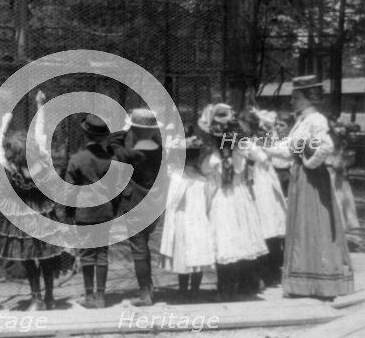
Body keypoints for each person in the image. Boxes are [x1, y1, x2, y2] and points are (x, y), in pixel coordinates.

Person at [281, 75, 353, 299]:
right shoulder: (302, 120)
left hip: (312, 179)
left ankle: (321, 283)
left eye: (295, 97)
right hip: (302, 178)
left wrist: (309, 164)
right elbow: (289, 148)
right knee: (303, 225)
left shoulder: (316, 119)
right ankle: (305, 283)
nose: (292, 101)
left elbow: (326, 146)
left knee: (315, 224)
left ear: (305, 98)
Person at [0, 91, 63, 311]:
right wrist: (40, 105)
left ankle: (36, 299)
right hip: (43, 210)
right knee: (46, 256)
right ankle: (50, 296)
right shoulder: (42, 160)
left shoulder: (9, 166)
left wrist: (4, 123)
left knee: (29, 257)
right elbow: (41, 134)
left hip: (22, 214)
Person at [198, 104, 268, 301]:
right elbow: (262, 157)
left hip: (223, 197)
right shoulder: (243, 146)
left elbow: (204, 171)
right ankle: (248, 283)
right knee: (241, 238)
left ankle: (226, 288)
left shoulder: (212, 155)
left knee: (225, 241)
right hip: (240, 195)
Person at [106, 108, 165, 306]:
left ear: (135, 129)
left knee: (138, 249)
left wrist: (123, 130)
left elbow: (113, 145)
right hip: (154, 204)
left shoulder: (133, 153)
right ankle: (148, 287)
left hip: (135, 204)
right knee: (144, 245)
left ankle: (145, 294)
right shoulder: (158, 148)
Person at [64, 114, 114, 309]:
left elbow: (69, 191)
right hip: (105, 212)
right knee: (102, 253)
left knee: (86, 253)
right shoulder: (110, 160)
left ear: (85, 135)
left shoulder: (77, 160)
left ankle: (89, 295)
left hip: (84, 214)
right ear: (103, 137)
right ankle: (101, 296)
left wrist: (69, 214)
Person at [159, 131, 214, 301]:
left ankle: (184, 291)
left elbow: (171, 203)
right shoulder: (202, 180)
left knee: (183, 255)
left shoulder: (177, 177)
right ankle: (194, 290)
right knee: (196, 253)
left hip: (182, 219)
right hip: (198, 220)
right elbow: (208, 203)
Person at [243, 108, 287, 287]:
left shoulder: (260, 142)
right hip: (252, 182)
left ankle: (271, 270)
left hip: (262, 183)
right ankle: (259, 272)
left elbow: (264, 158)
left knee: (268, 225)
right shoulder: (245, 142)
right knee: (258, 227)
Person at [326, 122, 360, 231]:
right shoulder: (326, 143)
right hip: (326, 174)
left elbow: (345, 162)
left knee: (338, 199)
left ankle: (338, 226)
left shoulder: (343, 149)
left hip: (336, 177)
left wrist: (340, 165)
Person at [272, 111, 295, 196]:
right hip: (272, 172)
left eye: (282, 125)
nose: (277, 127)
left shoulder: (290, 141)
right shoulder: (274, 138)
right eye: (276, 124)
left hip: (285, 174)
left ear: (290, 127)